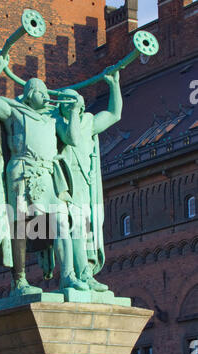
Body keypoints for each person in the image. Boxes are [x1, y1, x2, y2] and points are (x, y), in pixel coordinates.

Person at [0, 51, 89, 296]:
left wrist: (72, 113)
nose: (46, 96)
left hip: (48, 175)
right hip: (22, 172)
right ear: (29, 94)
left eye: (46, 92)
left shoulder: (52, 120)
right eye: (41, 92)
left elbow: (72, 138)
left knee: (60, 223)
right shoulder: (14, 111)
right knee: (21, 225)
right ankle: (19, 281)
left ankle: (68, 275)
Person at [57, 68, 123, 291]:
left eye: (73, 102)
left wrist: (114, 85)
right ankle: (77, 274)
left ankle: (85, 274)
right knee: (71, 229)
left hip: (84, 186)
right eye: (65, 102)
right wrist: (72, 113)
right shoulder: (57, 124)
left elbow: (114, 114)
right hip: (64, 187)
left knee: (84, 231)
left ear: (82, 105)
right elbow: (71, 138)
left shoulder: (89, 123)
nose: (69, 105)